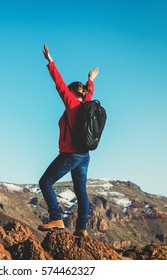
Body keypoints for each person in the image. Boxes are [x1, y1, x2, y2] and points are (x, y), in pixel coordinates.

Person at [38, 44, 99, 237]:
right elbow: (89, 93)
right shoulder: (87, 105)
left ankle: (56, 218)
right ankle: (82, 229)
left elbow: (59, 83)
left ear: (71, 93)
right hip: (84, 155)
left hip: (70, 154)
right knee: (81, 191)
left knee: (45, 182)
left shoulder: (71, 104)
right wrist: (90, 81)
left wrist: (50, 61)